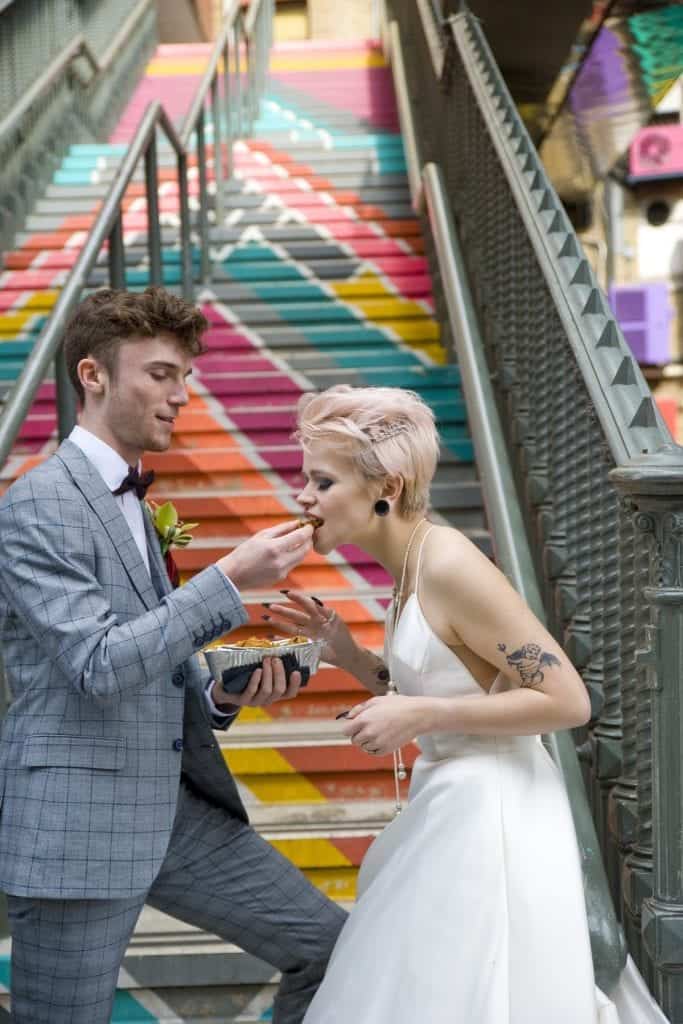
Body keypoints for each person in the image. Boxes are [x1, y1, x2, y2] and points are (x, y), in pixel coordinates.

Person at [0, 287, 347, 1024]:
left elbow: (148, 649)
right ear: (92, 375)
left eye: (184, 376)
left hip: (176, 815)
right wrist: (227, 581)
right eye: (160, 374)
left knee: (328, 947)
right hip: (77, 826)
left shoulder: (134, 499)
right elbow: (95, 663)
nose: (181, 394)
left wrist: (222, 694)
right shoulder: (36, 506)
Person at [263, 383, 638, 1023]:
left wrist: (420, 716)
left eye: (322, 482)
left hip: (493, 820)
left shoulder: (448, 564)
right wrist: (349, 655)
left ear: (389, 487)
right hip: (454, 805)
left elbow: (566, 698)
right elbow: (447, 684)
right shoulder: (411, 566)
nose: (303, 497)